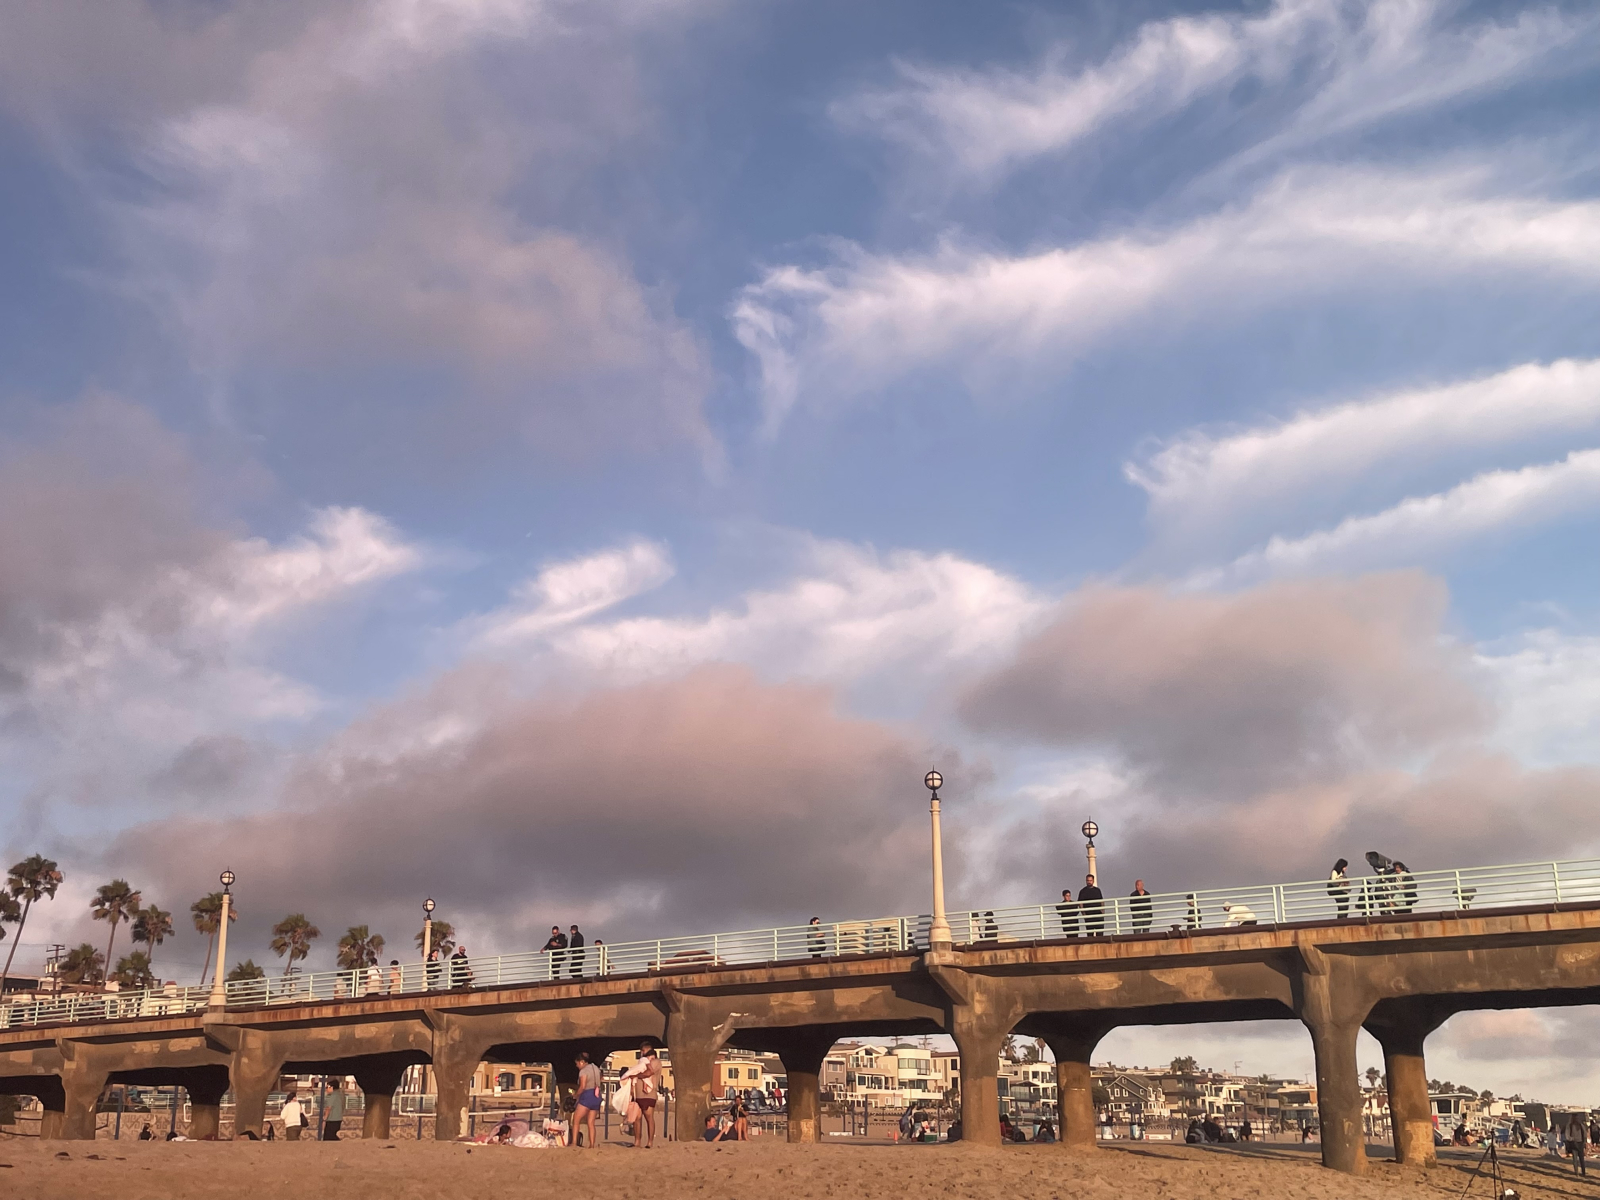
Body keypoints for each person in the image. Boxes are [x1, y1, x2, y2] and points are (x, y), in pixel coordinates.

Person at [629, 1042, 661, 1148]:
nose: (642, 1053)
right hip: (638, 1094)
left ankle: (650, 1142)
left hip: (649, 1094)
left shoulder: (655, 1062)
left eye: (643, 1051)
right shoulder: (641, 1062)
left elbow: (648, 1073)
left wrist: (636, 1075)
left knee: (649, 1117)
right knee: (636, 1118)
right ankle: (637, 1141)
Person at [571, 1051, 603, 1148]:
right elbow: (601, 1079)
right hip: (596, 1095)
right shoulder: (596, 1068)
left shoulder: (583, 1071)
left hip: (587, 1096)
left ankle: (573, 1143)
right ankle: (592, 1144)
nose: (577, 1066)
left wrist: (576, 1095)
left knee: (576, 1119)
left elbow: (583, 1086)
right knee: (591, 1122)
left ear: (581, 1062)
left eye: (577, 1064)